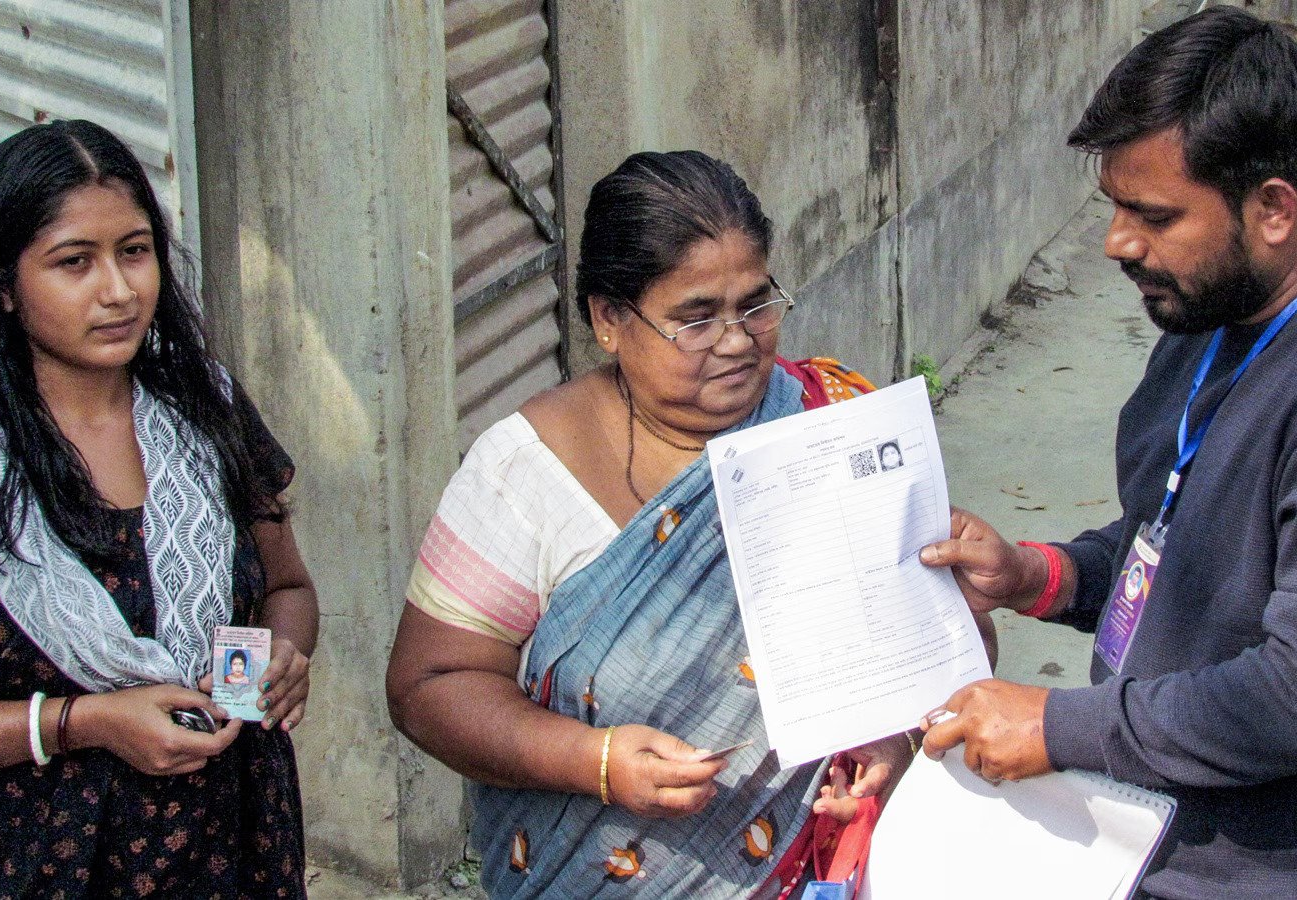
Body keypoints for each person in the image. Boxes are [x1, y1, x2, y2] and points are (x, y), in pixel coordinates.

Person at [918, 8, 1297, 898]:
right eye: (1112, 205)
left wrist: (1060, 727)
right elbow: (1177, 535)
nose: (1117, 241)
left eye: (1151, 214)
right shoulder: (1213, 317)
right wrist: (1045, 578)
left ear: (1272, 208)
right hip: (1145, 844)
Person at [386, 151, 911, 898]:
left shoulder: (830, 419)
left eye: (756, 305)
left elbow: (935, 638)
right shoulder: (524, 472)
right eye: (696, 318)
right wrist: (594, 762)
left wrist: (891, 735)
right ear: (609, 319)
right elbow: (428, 685)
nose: (737, 340)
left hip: (816, 866)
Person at [0, 120, 318, 897]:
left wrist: (277, 661)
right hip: (20, 861)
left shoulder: (204, 413)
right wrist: (82, 722)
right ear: (4, 287)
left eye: (134, 250)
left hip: (225, 844)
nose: (118, 290)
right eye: (73, 262)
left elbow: (288, 590)